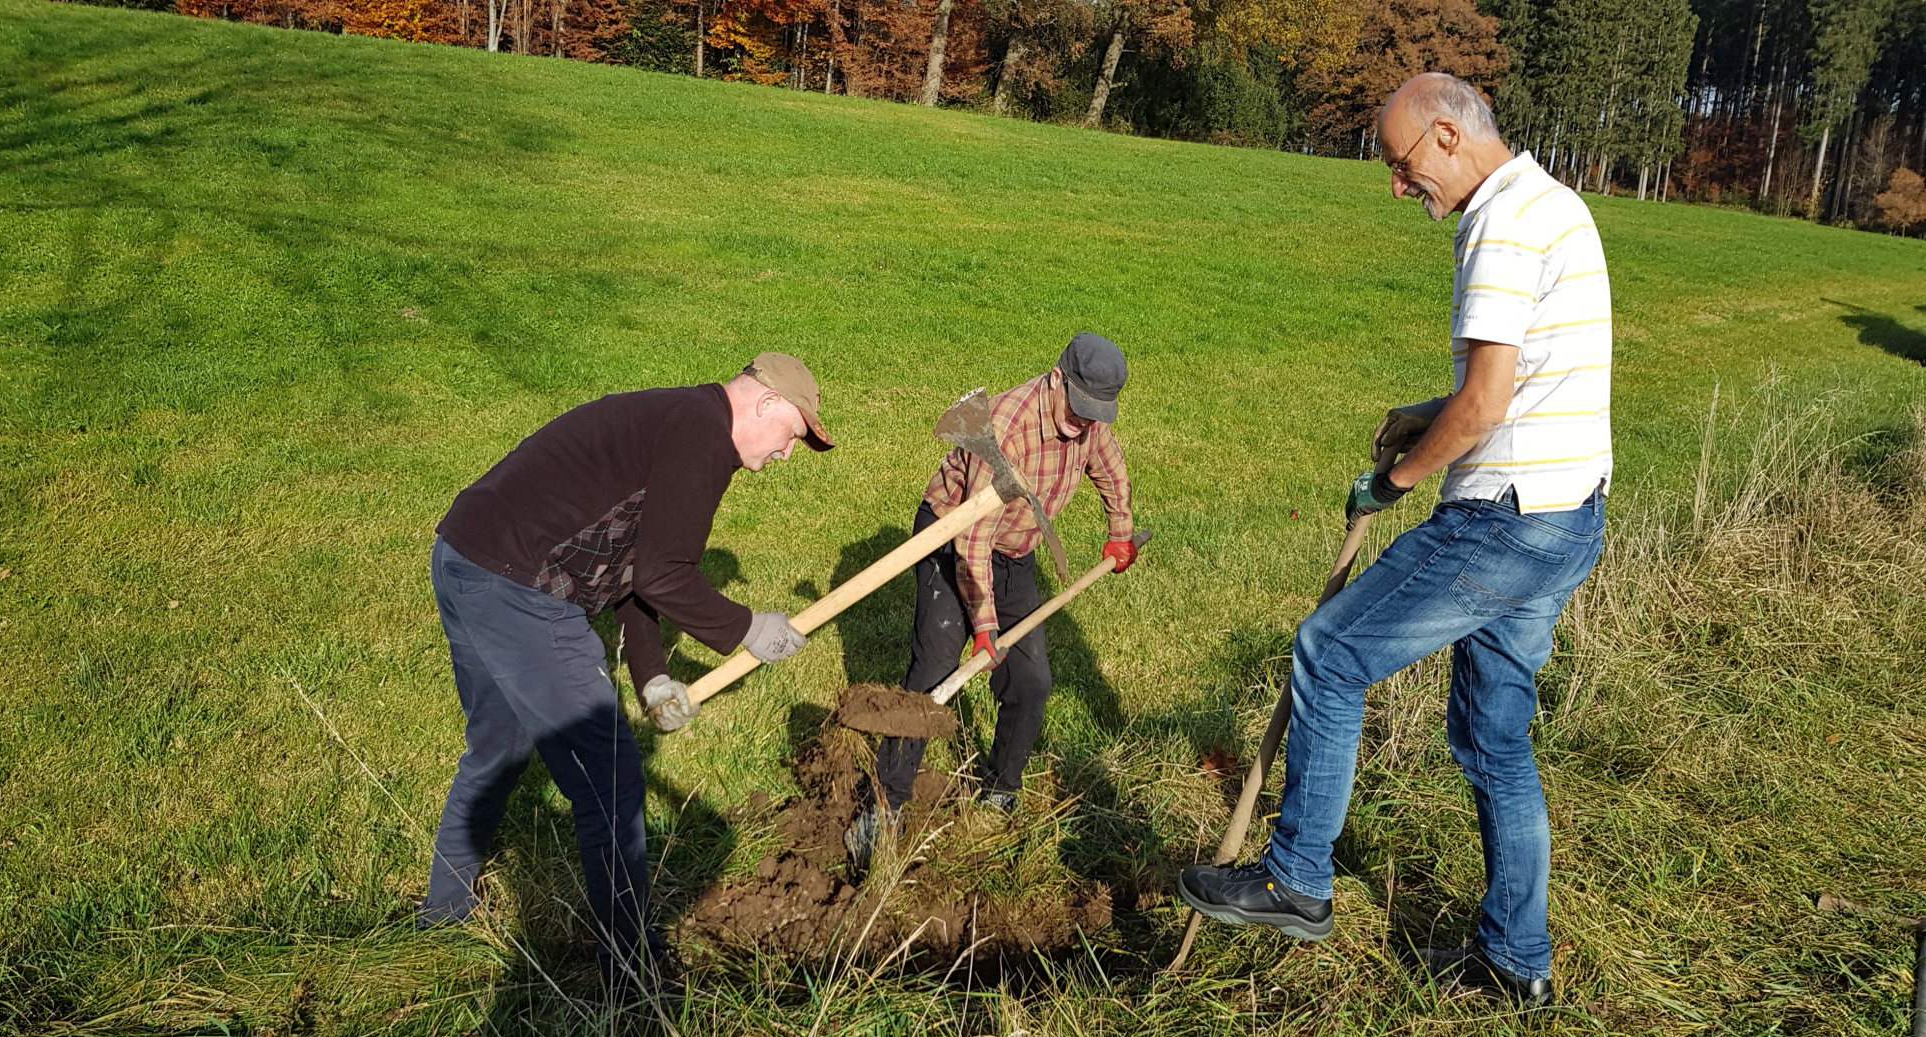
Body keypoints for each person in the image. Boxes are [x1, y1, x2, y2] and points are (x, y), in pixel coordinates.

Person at [1177, 73, 1612, 1007]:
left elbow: (1492, 403)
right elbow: (1522, 379)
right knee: (1496, 743)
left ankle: (1296, 879)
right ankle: (1516, 961)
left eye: (1401, 162)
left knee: (1329, 653)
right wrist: (1428, 413)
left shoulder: (1497, 224)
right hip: (1569, 513)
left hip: (1504, 519)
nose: (1397, 184)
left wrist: (1394, 479)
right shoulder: (1557, 204)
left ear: (1450, 136)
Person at [418, 354, 833, 994]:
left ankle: (443, 913)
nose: (784, 456)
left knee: (498, 746)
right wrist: (747, 628)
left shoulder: (681, 418)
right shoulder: (702, 435)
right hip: (521, 589)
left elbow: (639, 567)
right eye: (792, 437)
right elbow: (668, 573)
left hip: (465, 559)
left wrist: (652, 676)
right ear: (764, 404)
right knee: (610, 780)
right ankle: (628, 974)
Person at [846, 334, 1138, 869]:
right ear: (1056, 380)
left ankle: (1002, 787)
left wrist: (1120, 528)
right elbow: (971, 539)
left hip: (1014, 548)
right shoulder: (1005, 429)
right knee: (936, 666)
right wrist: (983, 624)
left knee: (1031, 679)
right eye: (1078, 409)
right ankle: (884, 806)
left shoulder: (1089, 422)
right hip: (950, 538)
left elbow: (1109, 464)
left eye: (1096, 414)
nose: (1084, 423)